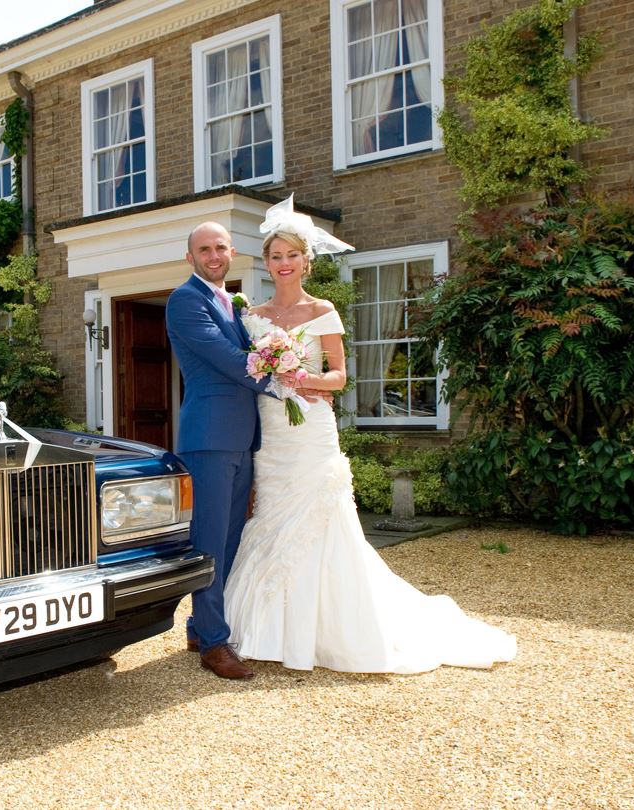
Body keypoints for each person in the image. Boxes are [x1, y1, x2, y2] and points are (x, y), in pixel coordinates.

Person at [224, 195, 517, 673]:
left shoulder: (323, 311)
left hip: (311, 429)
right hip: (273, 433)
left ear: (306, 261)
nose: (283, 264)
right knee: (273, 512)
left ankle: (327, 629)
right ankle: (265, 626)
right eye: (275, 256)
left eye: (291, 256)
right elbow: (246, 373)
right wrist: (271, 372)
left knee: (320, 515)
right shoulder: (251, 316)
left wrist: (304, 379)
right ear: (266, 262)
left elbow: (340, 376)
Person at [165, 221, 272, 679]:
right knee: (209, 541)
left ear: (232, 252)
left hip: (242, 437)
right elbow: (227, 360)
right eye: (204, 249)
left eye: (221, 248)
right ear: (190, 257)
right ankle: (213, 644)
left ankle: (199, 626)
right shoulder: (185, 300)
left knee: (229, 539)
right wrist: (281, 374)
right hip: (208, 437)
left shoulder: (233, 302)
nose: (213, 256)